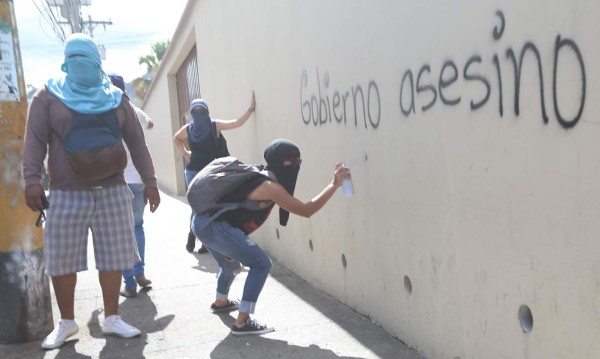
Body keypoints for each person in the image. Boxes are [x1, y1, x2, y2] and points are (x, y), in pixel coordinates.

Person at [22, 33, 160, 350]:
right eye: (75, 59)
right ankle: (67, 323)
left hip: (112, 190)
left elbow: (138, 143)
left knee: (113, 256)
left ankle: (112, 318)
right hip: (65, 192)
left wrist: (150, 181)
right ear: (66, 62)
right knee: (61, 259)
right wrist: (32, 180)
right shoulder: (48, 96)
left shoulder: (116, 97)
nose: (80, 64)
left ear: (98, 62)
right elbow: (34, 142)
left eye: (86, 58)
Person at [191, 138, 350, 335]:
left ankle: (220, 301)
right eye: (291, 162)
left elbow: (235, 212)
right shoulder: (268, 185)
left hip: (203, 223)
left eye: (299, 162)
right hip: (213, 226)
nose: (296, 166)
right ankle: (242, 322)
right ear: (278, 161)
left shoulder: (261, 175)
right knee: (261, 263)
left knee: (231, 264)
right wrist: (334, 185)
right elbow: (305, 210)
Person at [173, 92, 256, 254]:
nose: (198, 114)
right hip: (192, 172)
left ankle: (201, 239)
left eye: (201, 110)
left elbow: (237, 123)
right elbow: (176, 138)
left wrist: (250, 109)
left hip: (209, 174)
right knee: (197, 207)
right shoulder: (189, 129)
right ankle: (193, 235)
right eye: (195, 111)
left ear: (207, 111)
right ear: (192, 112)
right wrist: (185, 153)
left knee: (207, 207)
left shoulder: (214, 125)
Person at [109, 73, 154, 298]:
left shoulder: (103, 111)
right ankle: (139, 271)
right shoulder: (133, 111)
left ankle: (129, 283)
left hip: (116, 182)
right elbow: (151, 124)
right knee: (137, 227)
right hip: (137, 181)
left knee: (121, 233)